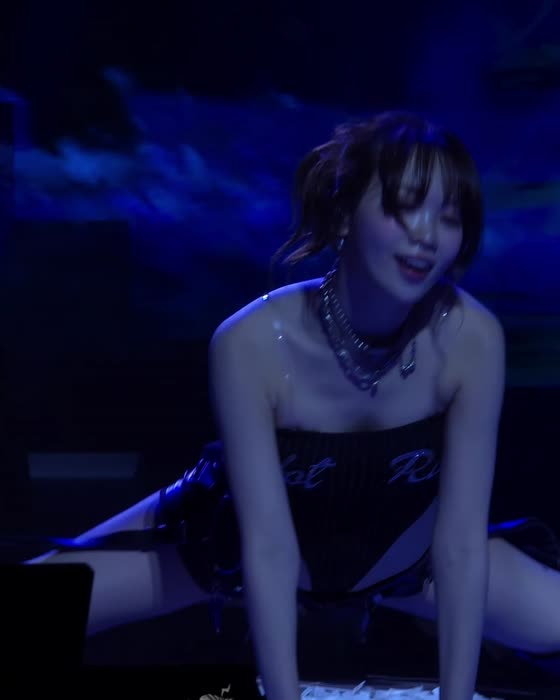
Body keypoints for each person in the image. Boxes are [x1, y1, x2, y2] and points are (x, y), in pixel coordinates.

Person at [28, 111, 560, 700]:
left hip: (408, 561)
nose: (427, 235)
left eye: (450, 217)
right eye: (404, 207)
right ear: (343, 215)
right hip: (226, 546)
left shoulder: (472, 338)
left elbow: (459, 545)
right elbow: (269, 546)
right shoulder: (250, 342)